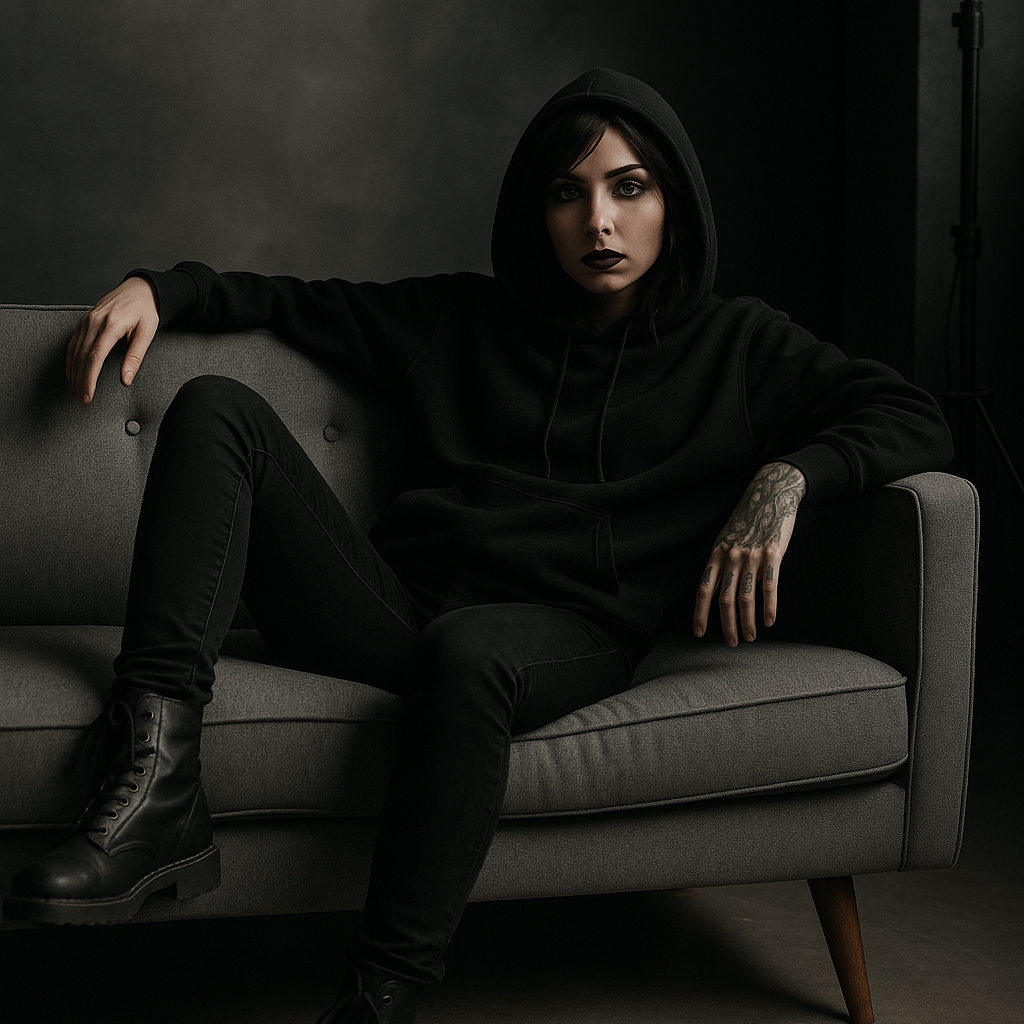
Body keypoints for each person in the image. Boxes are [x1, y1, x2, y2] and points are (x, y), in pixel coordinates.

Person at [3, 69, 952, 1023]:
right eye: (568, 193)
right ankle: (158, 789)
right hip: (393, 616)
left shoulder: (740, 346)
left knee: (471, 651)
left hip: (564, 633)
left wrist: (788, 477)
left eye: (629, 187)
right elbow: (288, 301)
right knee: (217, 407)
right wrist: (160, 286)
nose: (599, 222)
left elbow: (909, 413)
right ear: (538, 212)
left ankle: (380, 995)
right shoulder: (461, 318)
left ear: (674, 200)